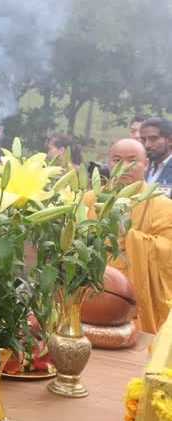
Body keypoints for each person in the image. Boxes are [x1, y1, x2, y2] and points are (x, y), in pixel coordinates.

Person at [85, 138, 172, 333]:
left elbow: (168, 253)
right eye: (117, 160)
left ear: (146, 164)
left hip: (133, 300)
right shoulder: (90, 199)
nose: (125, 167)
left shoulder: (163, 206)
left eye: (133, 161)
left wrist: (130, 235)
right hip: (89, 294)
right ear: (109, 163)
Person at [139, 118, 172, 195]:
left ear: (170, 140)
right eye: (143, 140)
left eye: (153, 139)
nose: (147, 145)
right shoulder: (141, 167)